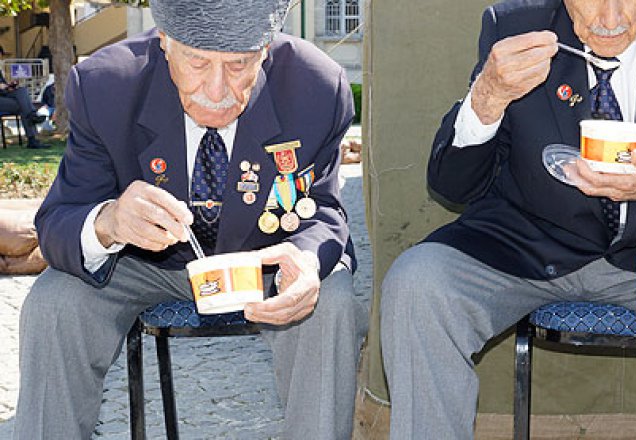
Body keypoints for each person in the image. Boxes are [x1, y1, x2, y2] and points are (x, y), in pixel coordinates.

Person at [380, 0, 636, 438]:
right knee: (418, 283)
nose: (610, 20)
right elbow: (453, 186)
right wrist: (486, 97)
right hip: (525, 246)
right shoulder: (516, 28)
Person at [14, 0, 370, 438]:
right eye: (198, 62)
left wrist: (308, 261)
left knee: (329, 301)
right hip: (140, 263)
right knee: (54, 301)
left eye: (239, 65)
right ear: (164, 42)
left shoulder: (315, 87)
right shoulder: (105, 85)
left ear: (265, 50)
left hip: (262, 261)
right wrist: (109, 221)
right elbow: (59, 220)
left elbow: (323, 208)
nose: (217, 91)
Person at [0, 68, 48, 149]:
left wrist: (9, 86)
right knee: (24, 107)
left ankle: (32, 116)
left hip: (5, 95)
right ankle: (32, 137)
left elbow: (3, 86)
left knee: (22, 91)